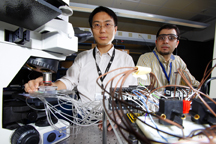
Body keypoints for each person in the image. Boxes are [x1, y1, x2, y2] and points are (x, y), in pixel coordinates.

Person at [24, 6, 137, 131]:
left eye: (107, 24)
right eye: (97, 25)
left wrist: (121, 114)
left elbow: (130, 96)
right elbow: (68, 81)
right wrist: (48, 86)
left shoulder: (126, 60)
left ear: (115, 29)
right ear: (92, 29)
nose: (102, 30)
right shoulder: (82, 57)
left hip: (114, 120)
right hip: (83, 118)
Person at [136, 24, 200, 90]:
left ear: (177, 43)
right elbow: (142, 88)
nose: (165, 41)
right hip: (153, 100)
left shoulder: (179, 61)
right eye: (162, 38)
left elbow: (193, 84)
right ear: (156, 42)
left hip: (175, 100)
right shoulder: (146, 58)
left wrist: (201, 88)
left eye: (171, 38)